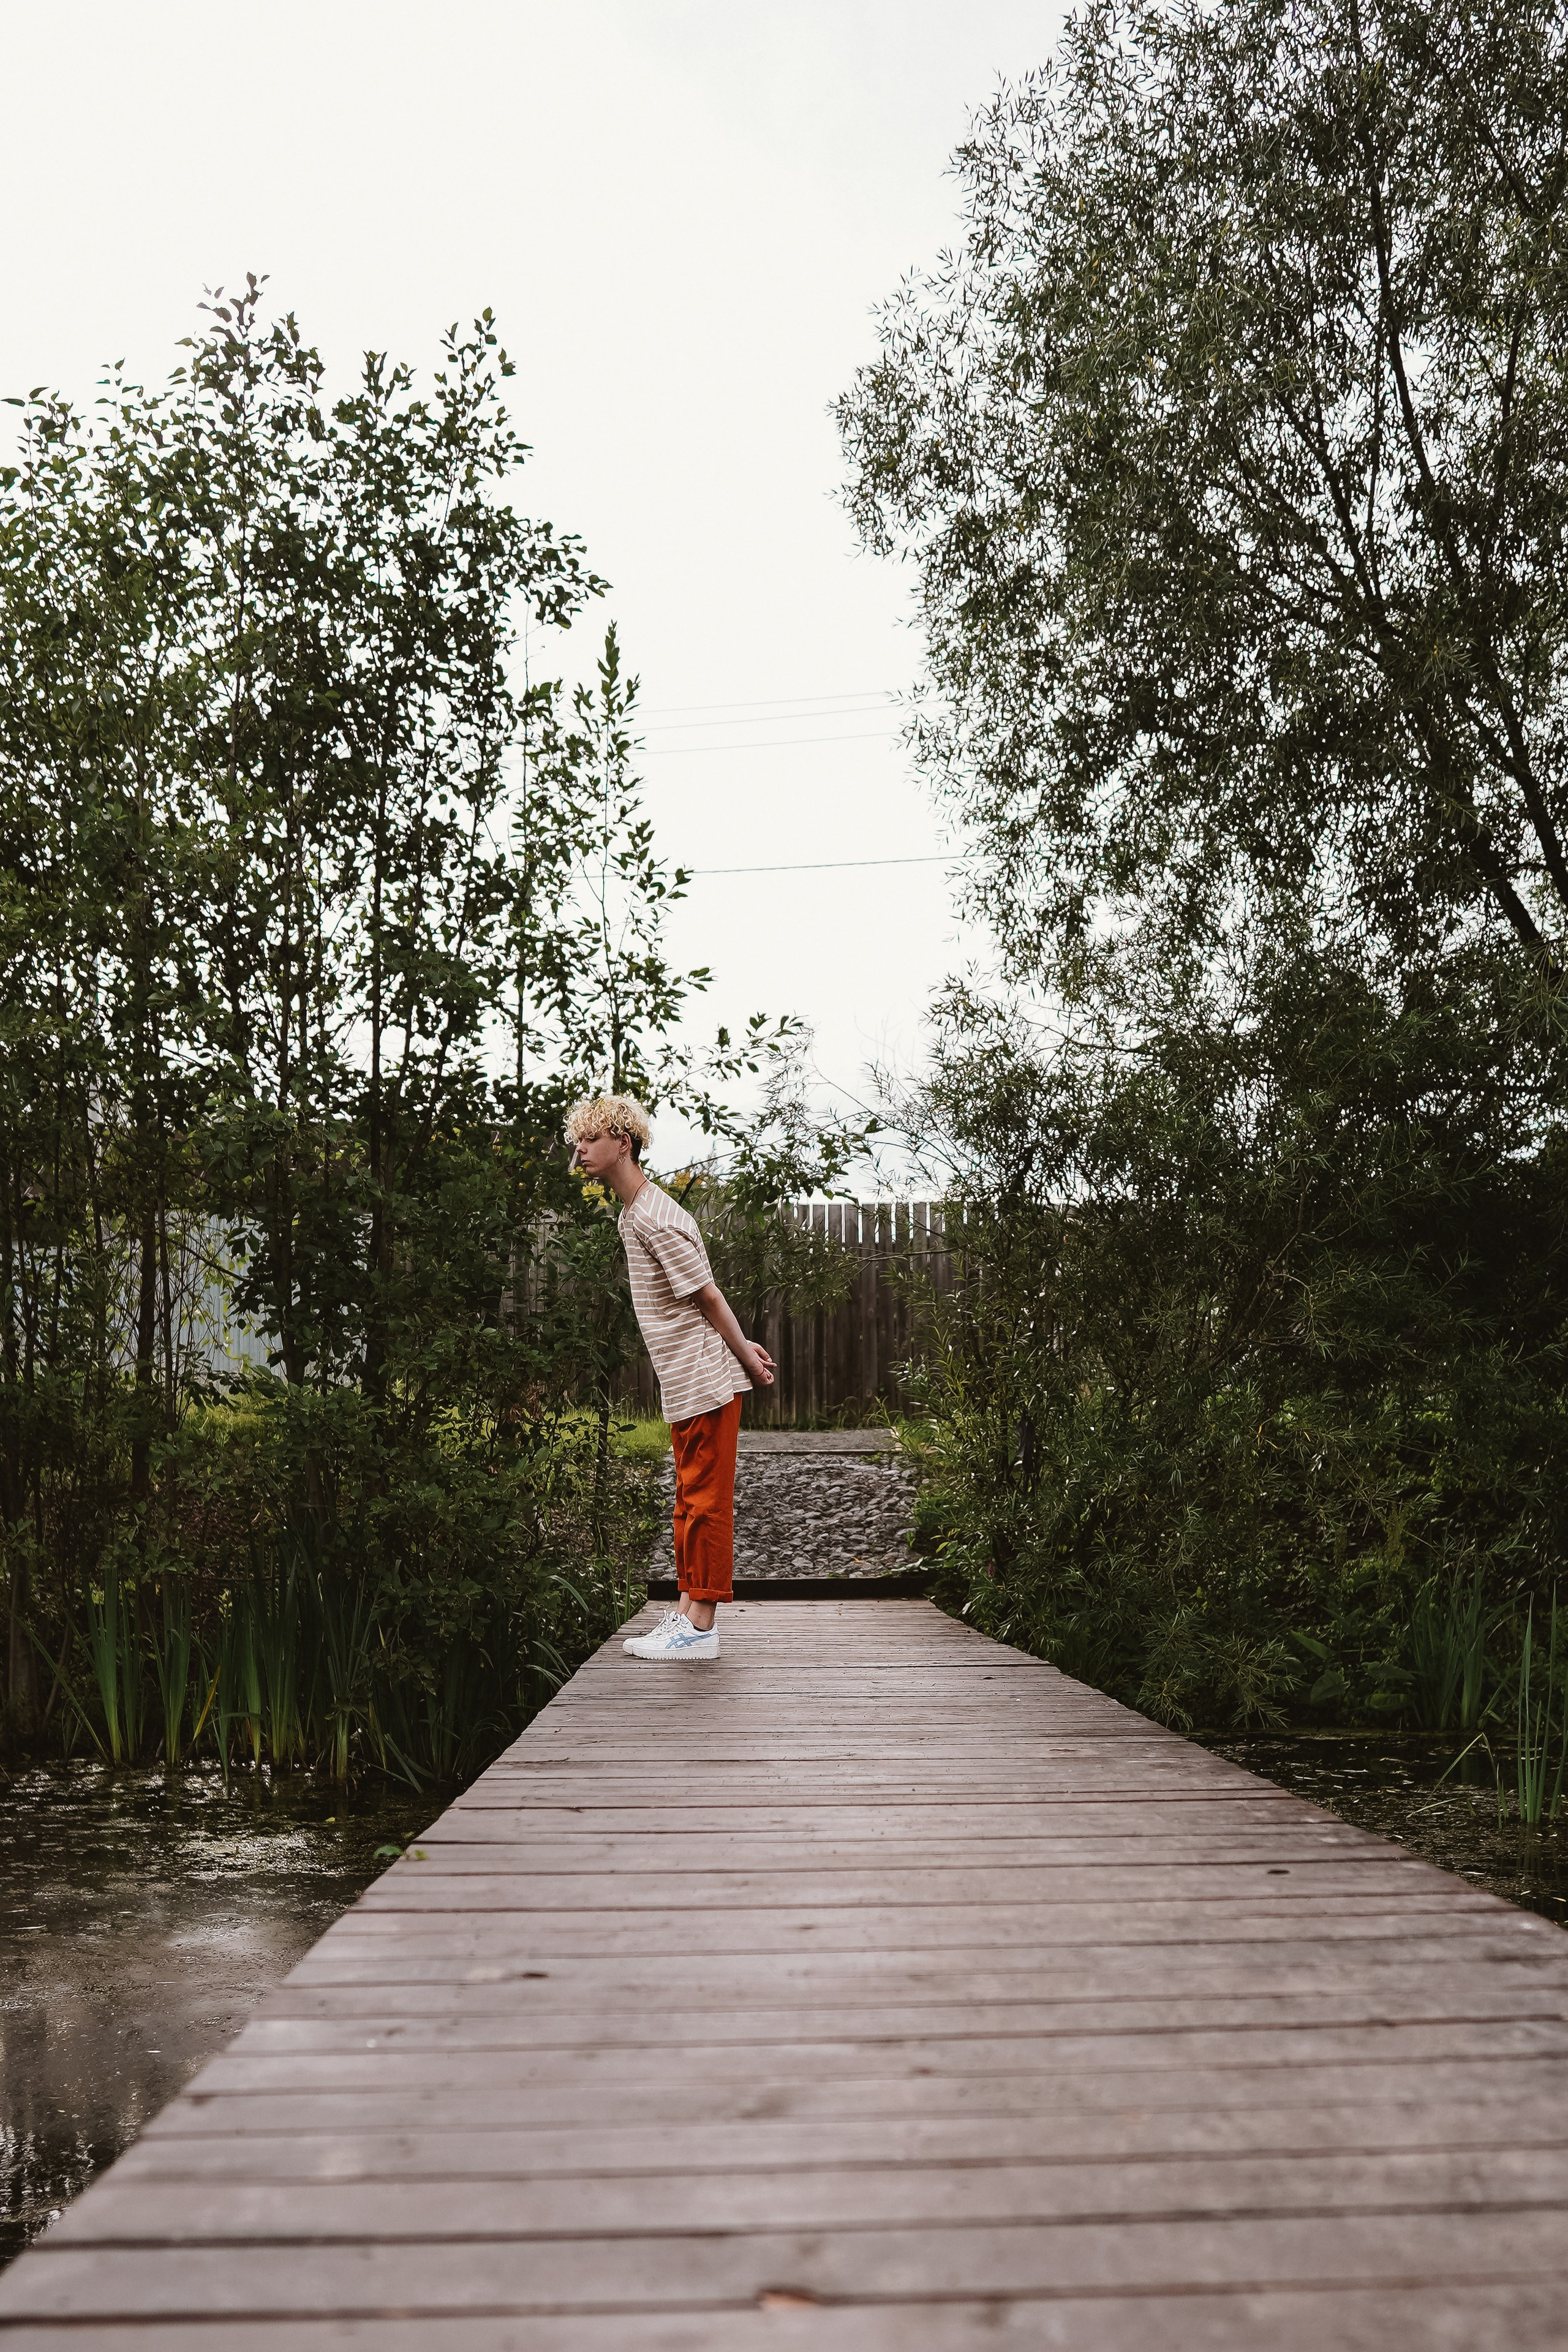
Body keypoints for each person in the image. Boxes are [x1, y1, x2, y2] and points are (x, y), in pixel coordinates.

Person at [564, 1094, 774, 1659]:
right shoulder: (633, 1212)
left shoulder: (657, 1215)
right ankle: (685, 1611)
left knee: (705, 1501)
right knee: (687, 1498)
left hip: (705, 1380)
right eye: (577, 1139)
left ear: (623, 1144)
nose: (579, 1148)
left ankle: (702, 1627)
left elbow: (707, 1293)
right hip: (685, 1381)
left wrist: (747, 1359)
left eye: (591, 1139)